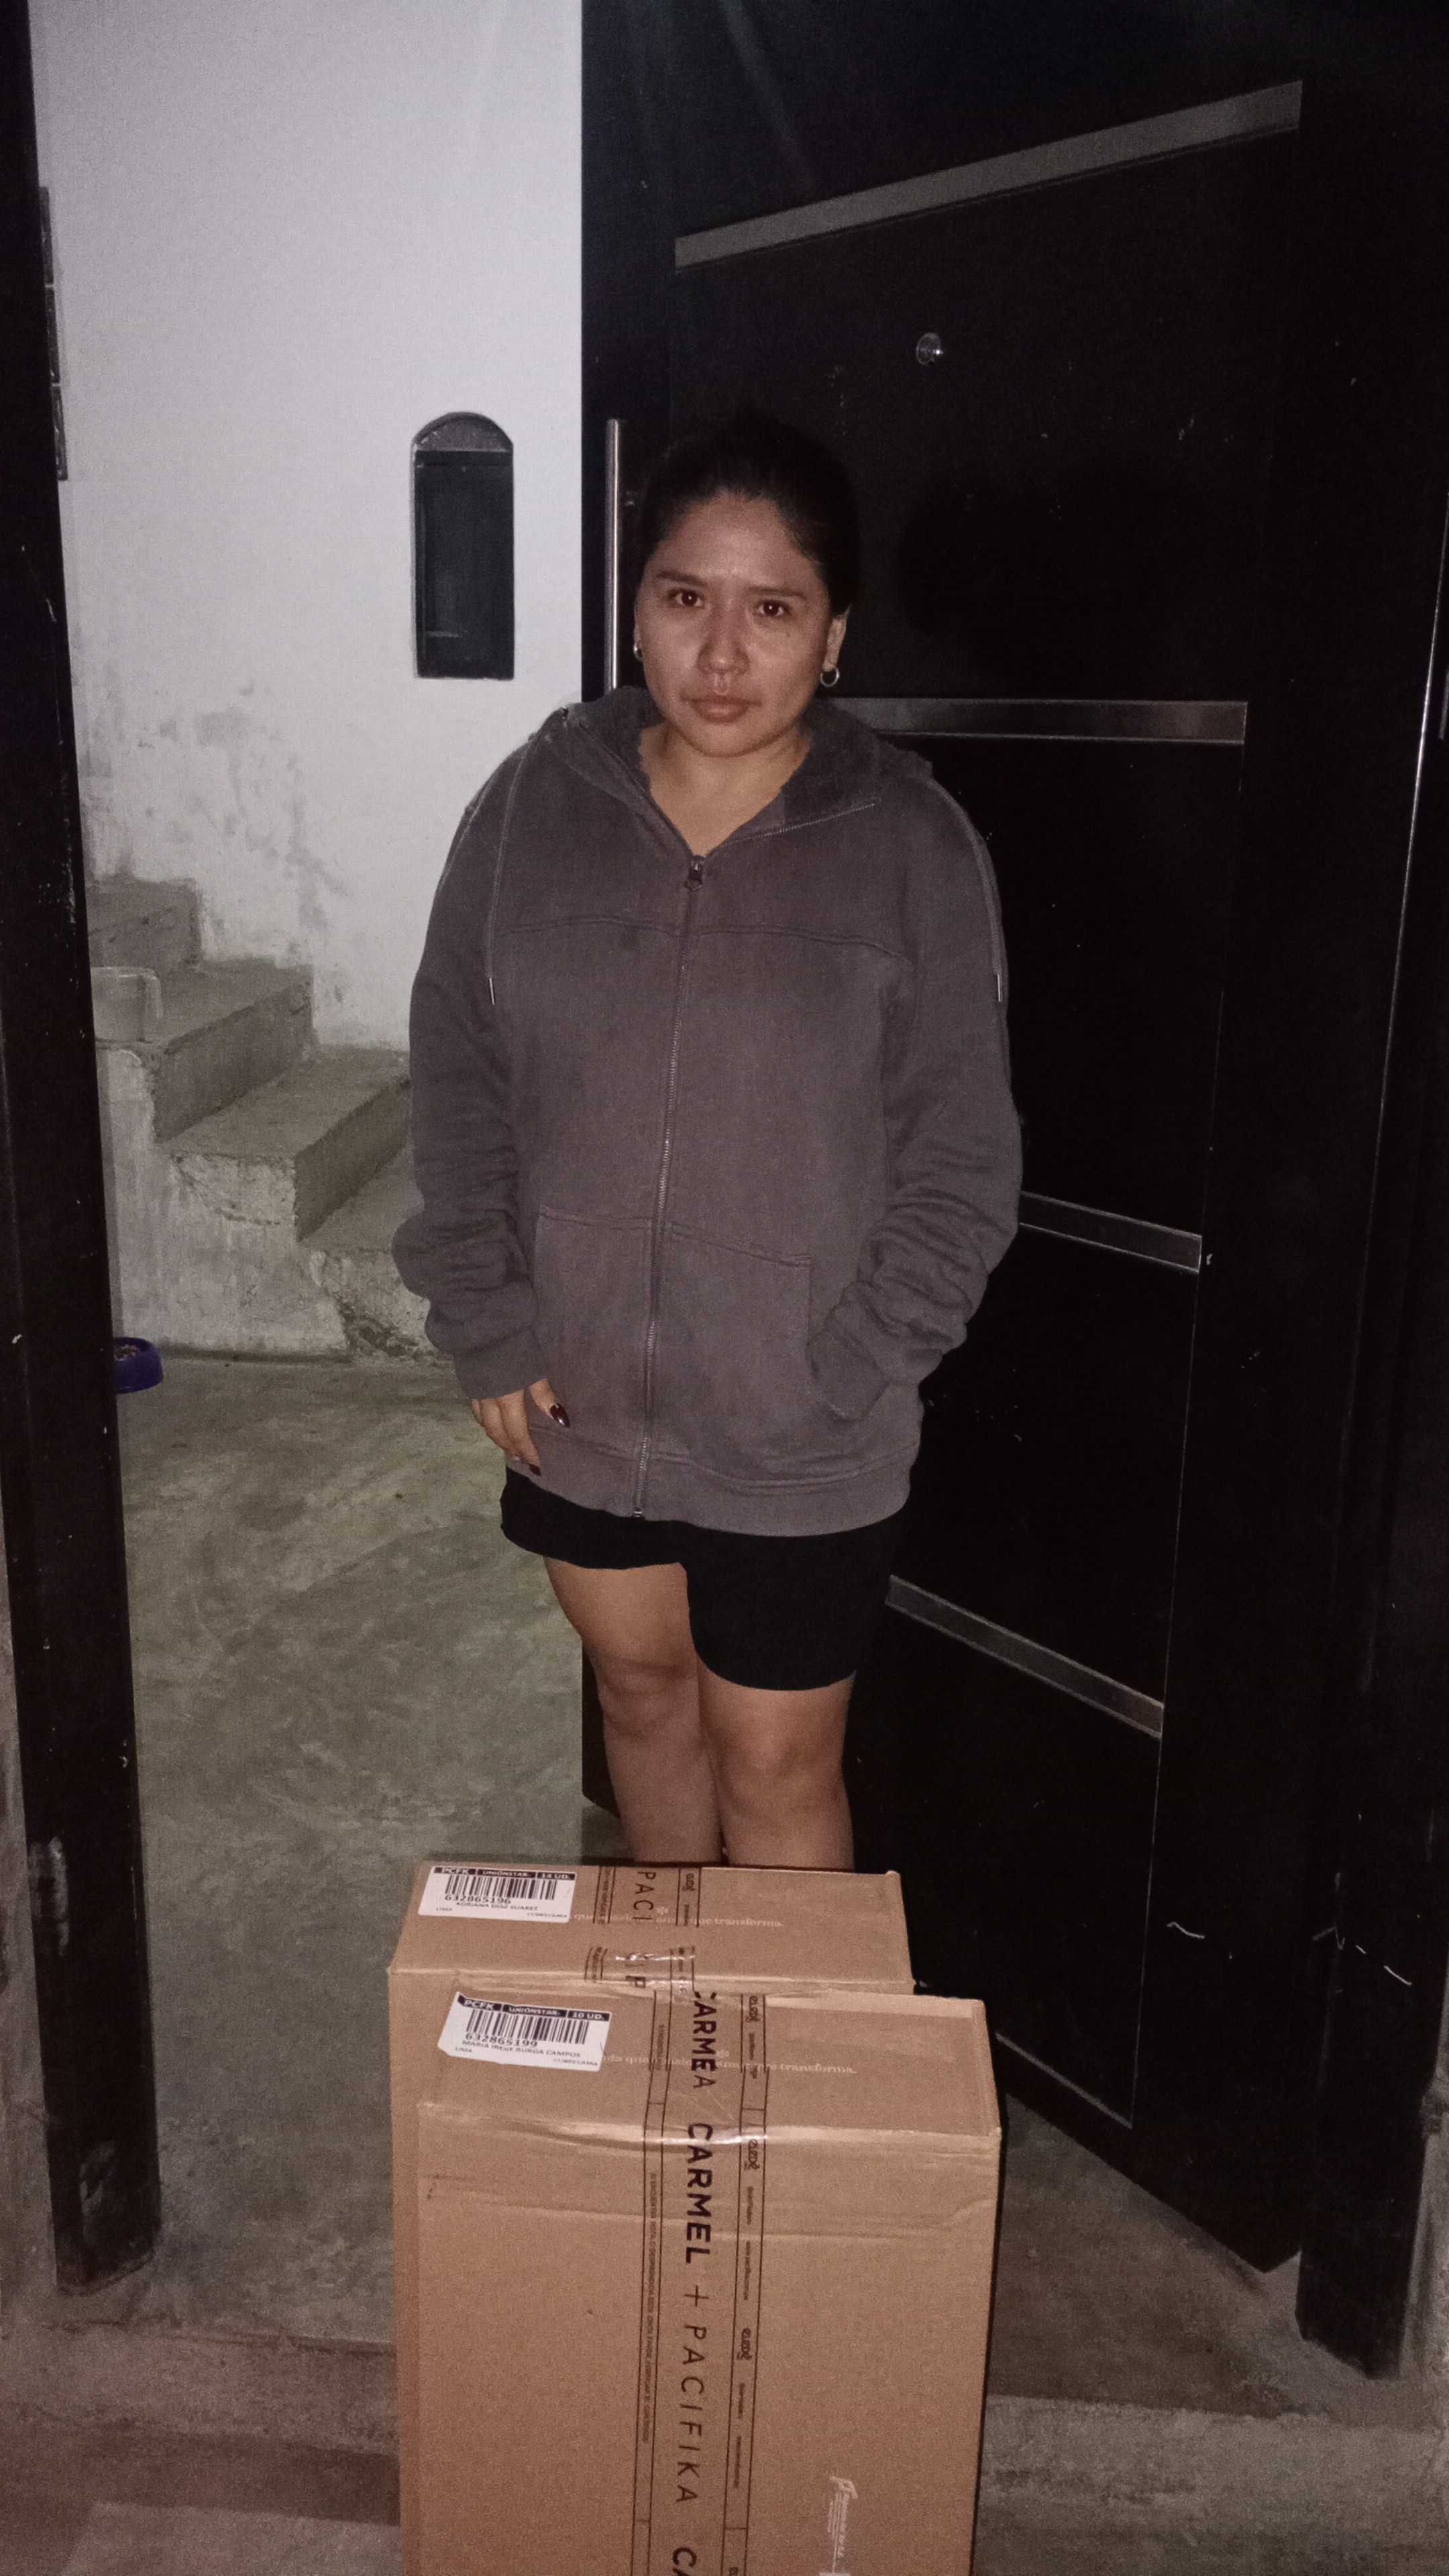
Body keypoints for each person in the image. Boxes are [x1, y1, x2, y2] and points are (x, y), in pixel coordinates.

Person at [394, 410, 1020, 1870]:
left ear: (835, 636)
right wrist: (489, 1325)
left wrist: (848, 1369)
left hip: (803, 1432)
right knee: (639, 1698)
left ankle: (771, 2029)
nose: (723, 654)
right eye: (686, 598)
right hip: (575, 1403)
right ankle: (676, 2001)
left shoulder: (912, 843)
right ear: (637, 610)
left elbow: (963, 1160)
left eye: (774, 610)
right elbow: (458, 1078)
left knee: (779, 1763)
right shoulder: (532, 807)